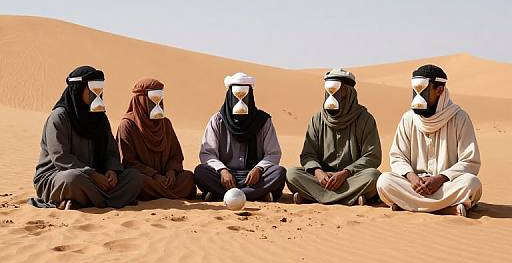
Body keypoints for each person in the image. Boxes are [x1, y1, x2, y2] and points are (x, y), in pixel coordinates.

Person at [377, 64, 482, 216]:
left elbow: (470, 161)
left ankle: (409, 205)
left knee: (471, 183)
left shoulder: (460, 118)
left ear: (439, 90)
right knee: (384, 181)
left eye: (423, 90)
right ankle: (447, 209)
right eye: (416, 90)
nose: (418, 95)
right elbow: (397, 156)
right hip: (414, 185)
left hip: (445, 185)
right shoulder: (408, 118)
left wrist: (440, 178)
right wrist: (412, 178)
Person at [31, 66, 142, 210]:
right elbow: (61, 158)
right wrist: (91, 174)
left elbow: (111, 151)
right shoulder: (59, 117)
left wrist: (112, 170)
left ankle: (81, 201)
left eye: (99, 89)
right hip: (58, 176)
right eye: (92, 90)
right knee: (72, 179)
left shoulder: (100, 117)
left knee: (134, 177)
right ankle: (102, 200)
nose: (97, 94)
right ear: (78, 89)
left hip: (98, 177)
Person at [286, 68, 381, 205]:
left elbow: (372, 156)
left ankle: (314, 197)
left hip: (351, 178)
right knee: (292, 174)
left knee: (373, 176)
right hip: (323, 179)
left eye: (339, 91)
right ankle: (351, 198)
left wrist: (346, 173)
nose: (334, 96)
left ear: (348, 93)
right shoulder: (317, 119)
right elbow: (308, 154)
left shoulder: (365, 119)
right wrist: (318, 172)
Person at [194, 72, 286, 202]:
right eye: (236, 97)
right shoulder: (217, 120)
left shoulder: (263, 121)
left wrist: (259, 169)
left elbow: (273, 153)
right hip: (225, 176)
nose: (240, 102)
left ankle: (223, 195)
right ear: (229, 97)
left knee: (279, 173)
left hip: (253, 176)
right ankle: (255, 195)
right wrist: (222, 170)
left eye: (244, 98)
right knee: (200, 172)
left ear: (251, 97)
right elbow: (207, 153)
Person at [117, 78, 196, 200]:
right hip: (146, 177)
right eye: (153, 99)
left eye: (159, 99)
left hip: (166, 177)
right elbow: (128, 161)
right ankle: (169, 194)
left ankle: (159, 193)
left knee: (188, 178)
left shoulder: (165, 123)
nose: (157, 104)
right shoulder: (128, 124)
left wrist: (171, 171)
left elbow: (175, 155)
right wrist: (154, 175)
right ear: (141, 100)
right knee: (136, 180)